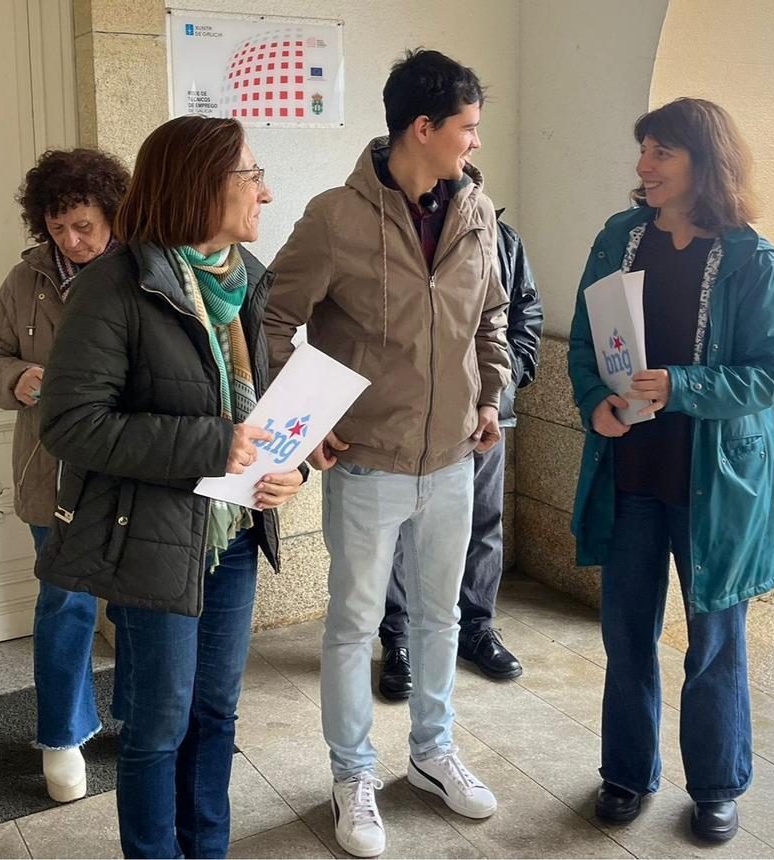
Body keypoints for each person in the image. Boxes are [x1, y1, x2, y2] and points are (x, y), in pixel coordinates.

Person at [34, 116, 305, 859]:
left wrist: (291, 466)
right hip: (150, 540)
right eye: (252, 176)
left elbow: (269, 405)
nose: (267, 192)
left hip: (235, 535)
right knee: (159, 726)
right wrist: (214, 447)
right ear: (201, 183)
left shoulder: (245, 276)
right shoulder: (115, 287)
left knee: (217, 714)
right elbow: (70, 424)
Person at [265, 49, 510, 858]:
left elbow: (493, 317)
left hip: (451, 459)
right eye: (467, 129)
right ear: (423, 128)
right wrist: (305, 423)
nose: (476, 143)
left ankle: (434, 756)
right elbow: (267, 322)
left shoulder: (477, 210)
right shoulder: (335, 217)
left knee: (442, 617)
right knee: (354, 624)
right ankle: (353, 774)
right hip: (367, 460)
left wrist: (489, 396)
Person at [567, 98, 774, 843]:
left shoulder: (751, 260)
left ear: (705, 161)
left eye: (661, 152)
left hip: (715, 490)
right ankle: (626, 774)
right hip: (628, 476)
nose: (644, 166)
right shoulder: (618, 239)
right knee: (626, 635)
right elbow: (584, 345)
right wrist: (595, 403)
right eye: (645, 151)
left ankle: (717, 786)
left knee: (715, 645)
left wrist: (684, 387)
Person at [0, 147, 129, 803]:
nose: (72, 240)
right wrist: (17, 378)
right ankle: (62, 737)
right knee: (64, 604)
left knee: (142, 602)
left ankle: (142, 719)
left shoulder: (145, 270)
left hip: (131, 469)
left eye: (85, 225)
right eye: (59, 227)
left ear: (112, 215)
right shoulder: (24, 280)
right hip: (51, 472)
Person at [378, 211, 542, 697]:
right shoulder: (398, 236)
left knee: (484, 521)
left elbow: (525, 314)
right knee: (403, 528)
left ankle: (477, 627)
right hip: (412, 418)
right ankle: (398, 638)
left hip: (486, 416)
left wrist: (505, 382)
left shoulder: (501, 237)